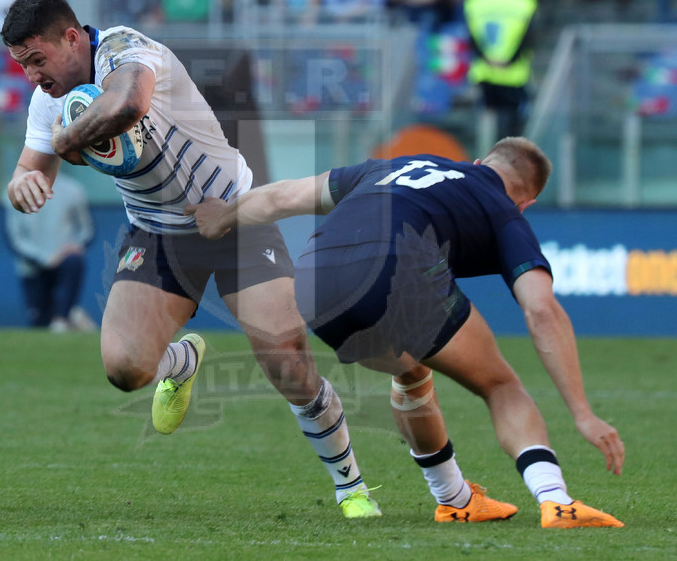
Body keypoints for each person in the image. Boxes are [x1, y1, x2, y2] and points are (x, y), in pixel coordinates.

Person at [1, 0, 517, 522]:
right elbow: (31, 167)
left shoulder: (127, 50)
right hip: (156, 233)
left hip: (232, 217)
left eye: (37, 61)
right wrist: (24, 183)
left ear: (71, 38)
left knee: (287, 359)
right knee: (125, 370)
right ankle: (180, 361)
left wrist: (65, 145)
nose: (33, 77)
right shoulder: (50, 102)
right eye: (23, 66)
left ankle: (351, 487)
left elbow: (127, 104)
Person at [187, 137, 626, 529]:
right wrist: (583, 413)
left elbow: (284, 196)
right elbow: (541, 310)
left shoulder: (389, 167)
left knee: (412, 371)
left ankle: (454, 500)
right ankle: (557, 501)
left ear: (478, 161)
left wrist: (221, 217)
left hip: (317, 284)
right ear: (525, 202)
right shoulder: (503, 211)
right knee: (501, 385)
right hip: (394, 273)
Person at [4, 172, 97, 332]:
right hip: (32, 267)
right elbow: (14, 238)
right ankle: (73, 315)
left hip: (65, 261)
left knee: (58, 326)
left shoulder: (73, 189)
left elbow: (86, 230)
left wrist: (74, 246)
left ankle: (63, 317)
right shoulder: (14, 189)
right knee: (39, 324)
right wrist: (44, 258)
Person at [463, 0, 537, 141]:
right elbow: (528, 38)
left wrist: (487, 59)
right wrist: (509, 61)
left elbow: (471, 37)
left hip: (484, 73)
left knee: (485, 129)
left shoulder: (474, 0)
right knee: (513, 131)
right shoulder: (526, 1)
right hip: (514, 75)